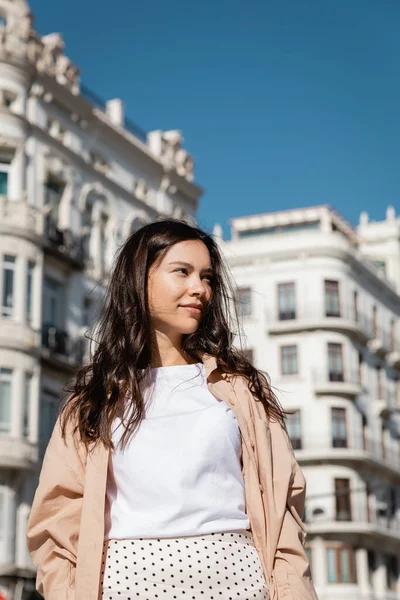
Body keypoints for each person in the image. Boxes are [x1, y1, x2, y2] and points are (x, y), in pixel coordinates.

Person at [26, 219, 318, 600]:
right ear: (139, 279)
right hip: (126, 586)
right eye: (182, 272)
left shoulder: (239, 389)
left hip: (238, 583)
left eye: (208, 278)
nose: (200, 289)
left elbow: (283, 507)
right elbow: (57, 519)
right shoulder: (93, 400)